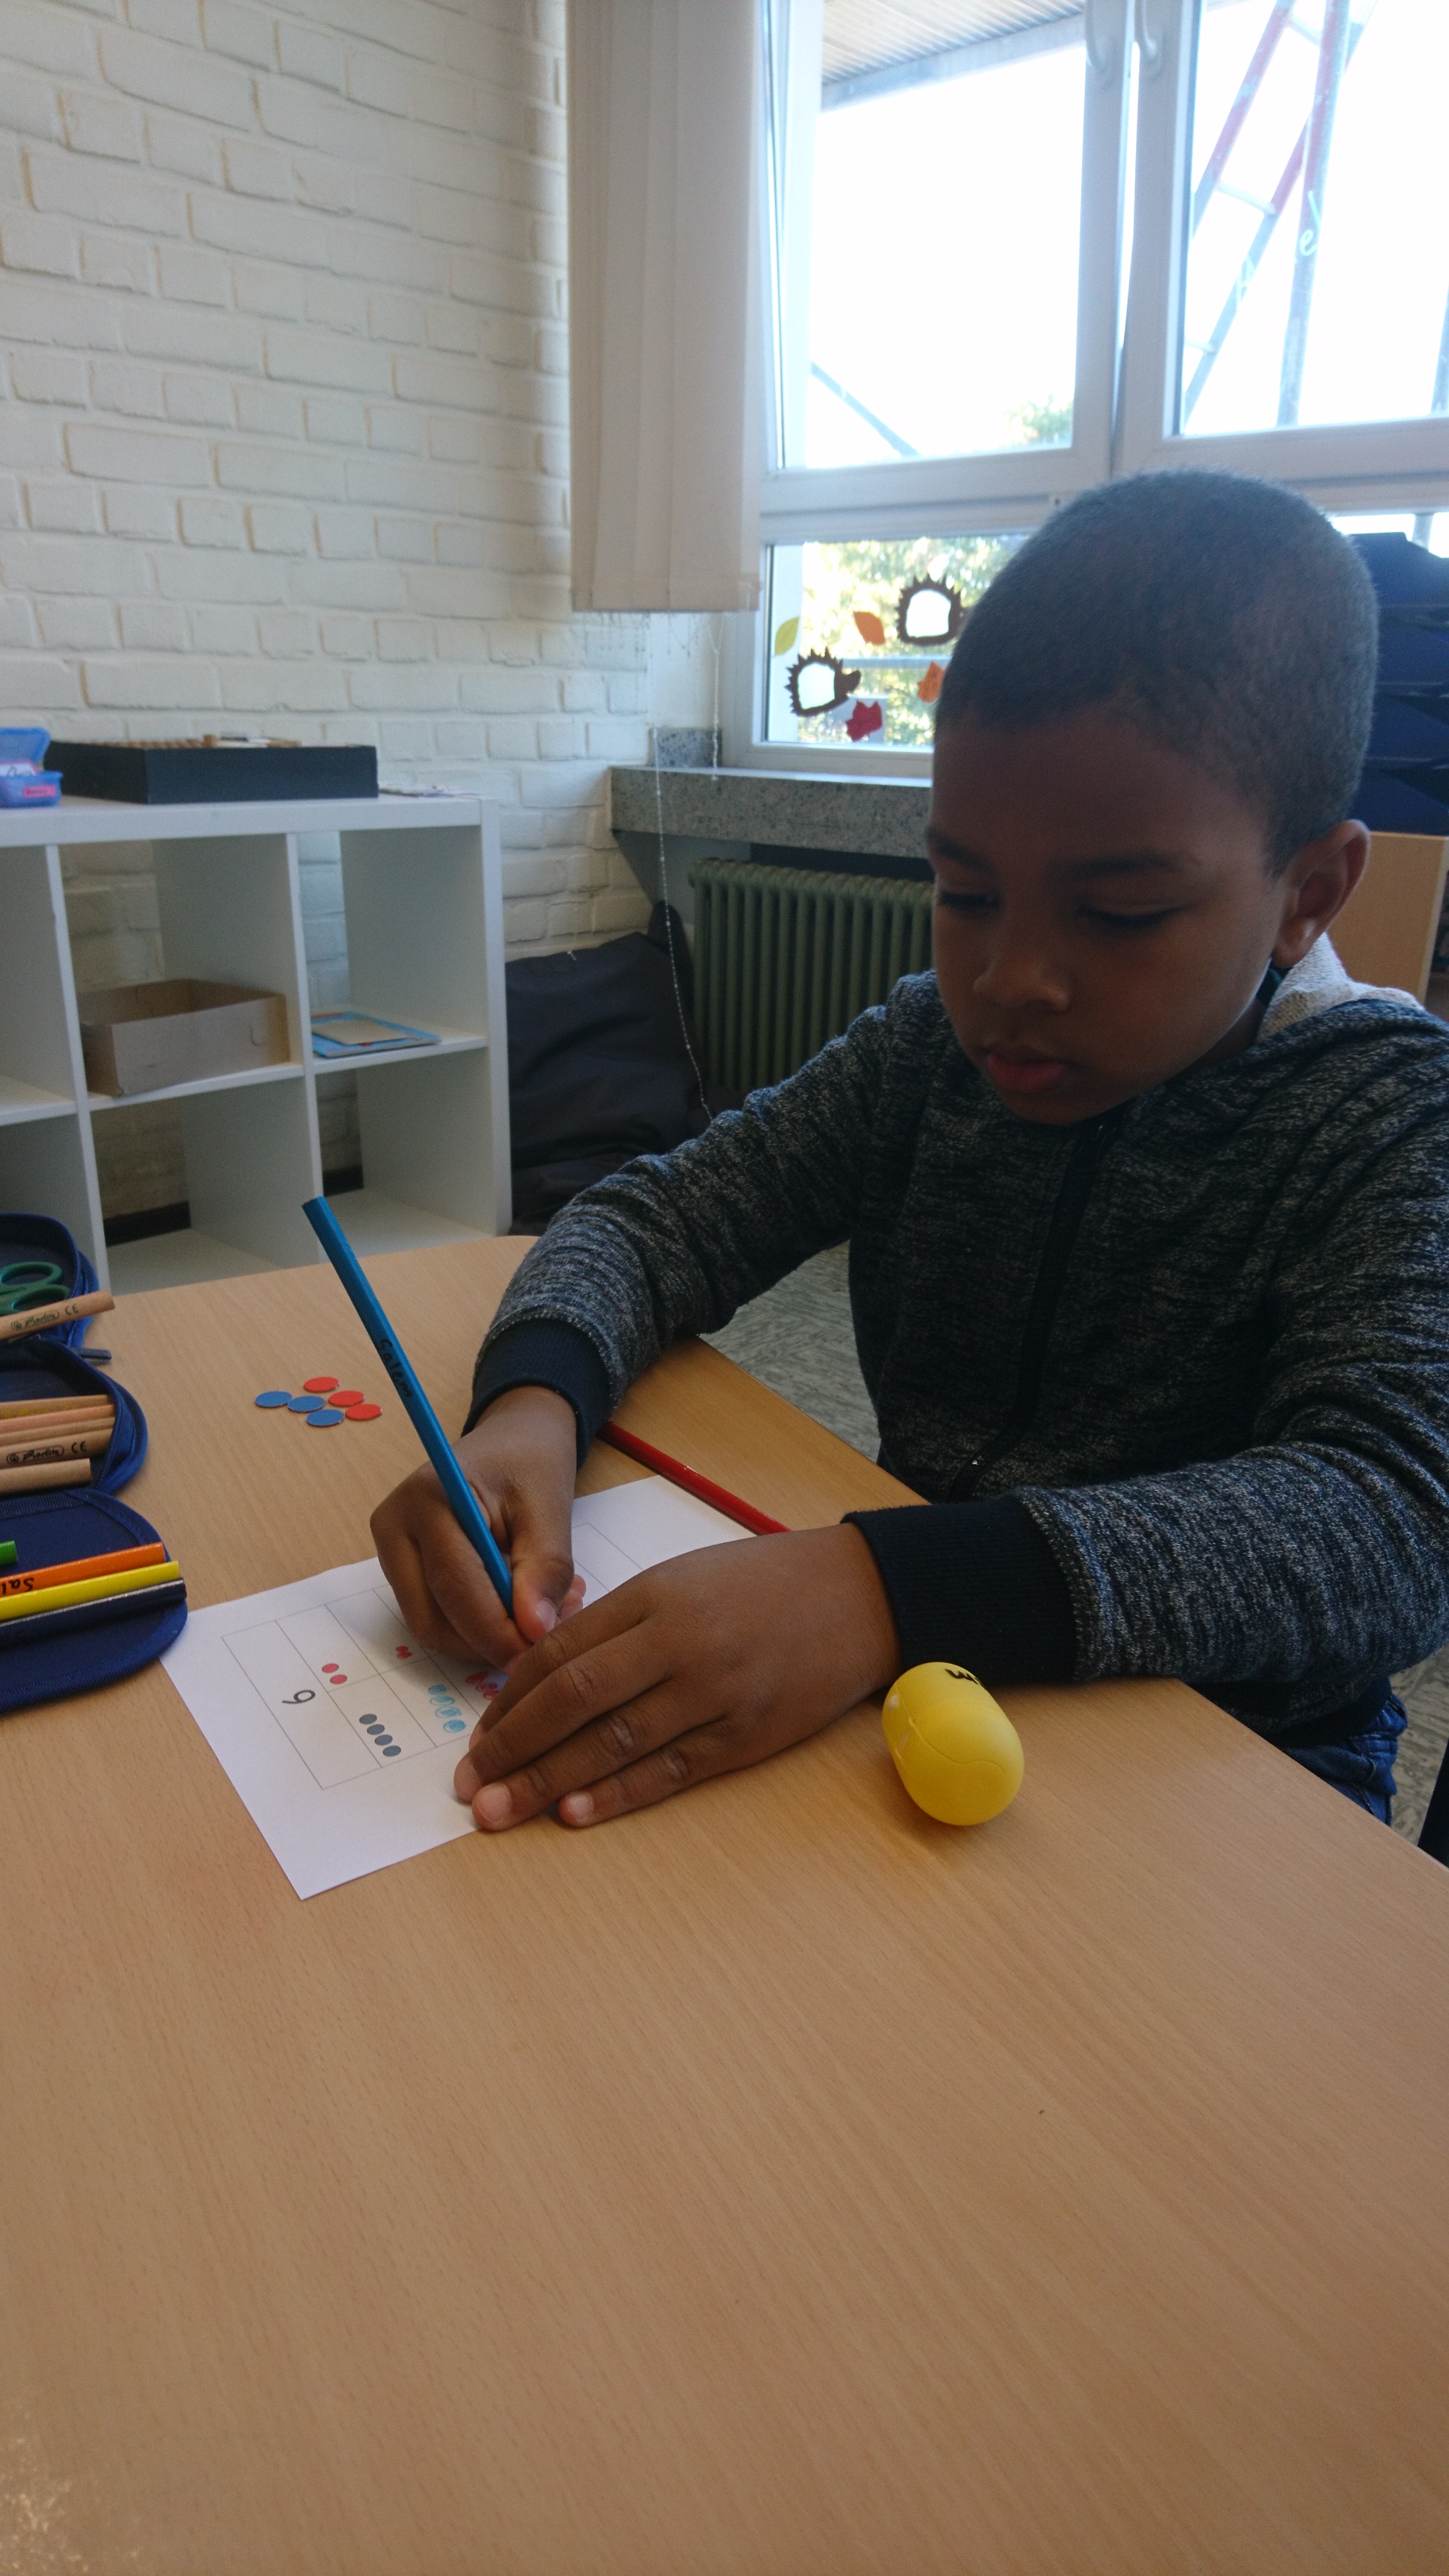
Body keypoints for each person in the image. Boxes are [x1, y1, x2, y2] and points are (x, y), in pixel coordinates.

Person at [373, 471, 1449, 1835]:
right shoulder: (927, 1051)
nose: (1009, 979)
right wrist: (530, 1406)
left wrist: (883, 1587)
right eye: (965, 890)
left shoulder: (1389, 1114)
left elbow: (1392, 1521)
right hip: (911, 1687)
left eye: (1119, 913)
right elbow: (654, 1221)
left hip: (1240, 1781)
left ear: (1310, 893)